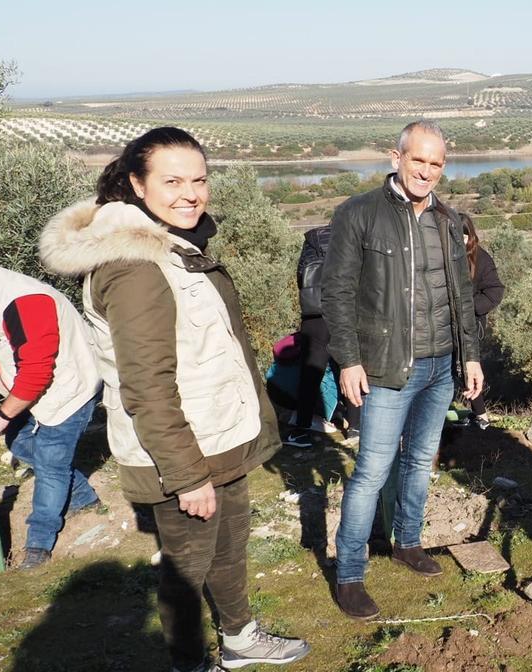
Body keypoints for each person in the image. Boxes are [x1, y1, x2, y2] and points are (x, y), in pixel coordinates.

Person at [39, 127, 309, 672]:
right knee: (186, 569)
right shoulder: (135, 267)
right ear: (137, 185)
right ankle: (191, 662)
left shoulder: (172, 249)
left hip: (217, 436)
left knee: (228, 551)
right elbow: (146, 383)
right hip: (183, 451)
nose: (191, 193)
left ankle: (240, 639)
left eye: (199, 180)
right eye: (173, 181)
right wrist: (187, 475)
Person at [322, 120, 483, 620]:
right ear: (396, 157)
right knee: (371, 470)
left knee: (418, 461)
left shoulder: (448, 221)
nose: (427, 172)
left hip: (440, 367)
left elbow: (460, 294)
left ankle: (408, 542)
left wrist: (469, 355)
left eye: (436, 164)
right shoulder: (358, 214)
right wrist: (348, 359)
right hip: (388, 367)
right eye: (419, 161)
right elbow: (337, 292)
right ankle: (349, 575)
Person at [0, 266, 102, 571]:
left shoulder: (26, 301)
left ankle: (38, 547)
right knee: (20, 440)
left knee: (52, 465)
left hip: (70, 389)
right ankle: (83, 497)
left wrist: (0, 417)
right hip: (31, 391)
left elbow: (37, 371)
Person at [284, 225, 360, 447]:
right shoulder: (350, 238)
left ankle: (301, 430)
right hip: (345, 313)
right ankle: (355, 427)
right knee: (350, 366)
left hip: (314, 317)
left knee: (310, 375)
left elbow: (301, 275)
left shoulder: (311, 242)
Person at [459, 213, 504, 430]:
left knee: (466, 369)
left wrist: (469, 307)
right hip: (439, 325)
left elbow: (495, 291)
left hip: (470, 326)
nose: (460, 242)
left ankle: (481, 416)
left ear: (471, 236)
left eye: (464, 236)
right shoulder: (436, 256)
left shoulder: (481, 259)